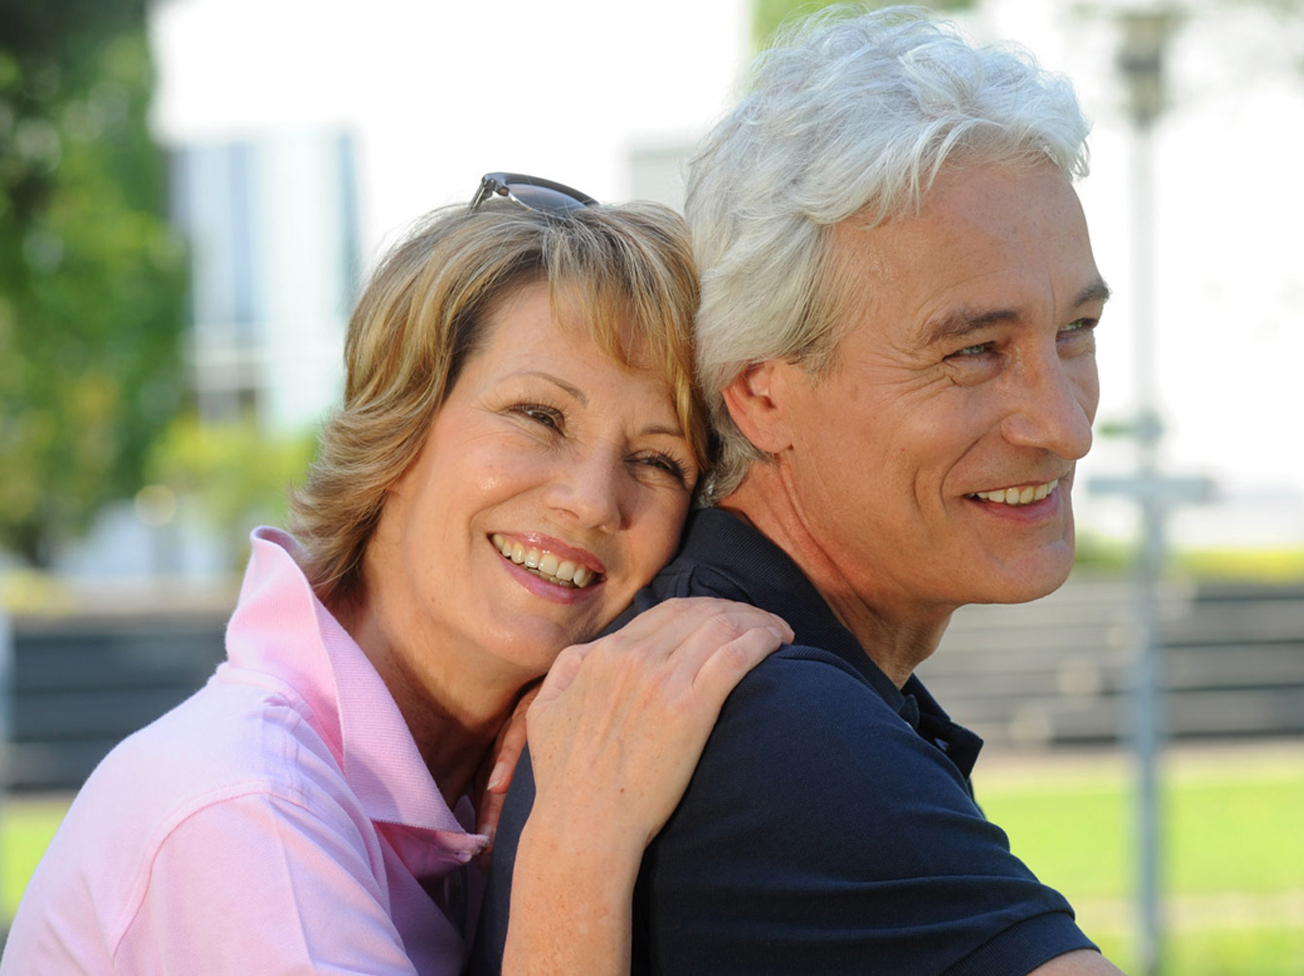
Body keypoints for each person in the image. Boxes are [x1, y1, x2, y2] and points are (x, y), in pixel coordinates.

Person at [0, 176, 793, 976]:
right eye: (538, 416)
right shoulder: (248, 809)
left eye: (656, 460)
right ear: (399, 428)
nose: (592, 501)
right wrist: (579, 839)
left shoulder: (473, 798)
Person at [473, 10, 1126, 976]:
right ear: (761, 394)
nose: (1064, 426)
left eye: (1074, 332)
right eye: (973, 352)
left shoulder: (712, 671)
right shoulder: (780, 729)